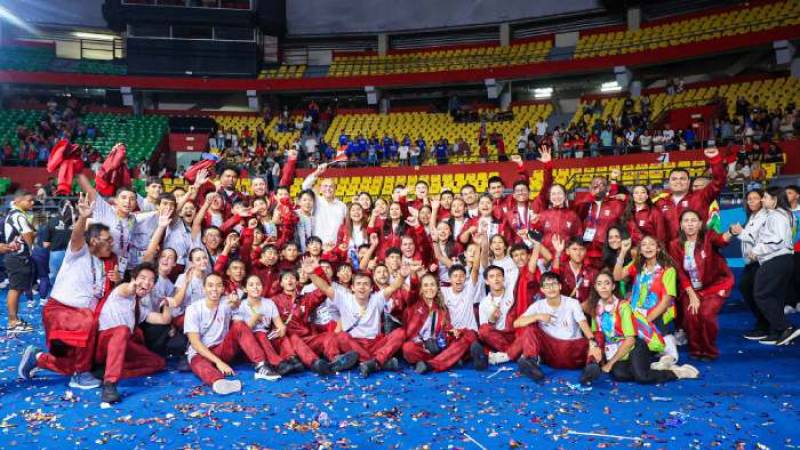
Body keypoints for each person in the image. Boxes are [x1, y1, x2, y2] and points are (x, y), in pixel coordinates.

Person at [18, 193, 120, 390]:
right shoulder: (79, 251)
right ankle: (81, 375)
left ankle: (37, 358)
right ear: (93, 241)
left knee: (71, 365)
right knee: (89, 321)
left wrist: (116, 281)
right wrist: (83, 217)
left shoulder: (106, 263)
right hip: (62, 310)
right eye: (106, 240)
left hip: (82, 316)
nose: (111, 244)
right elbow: (76, 237)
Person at [588, 271, 698, 384]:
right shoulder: (595, 309)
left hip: (634, 346)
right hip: (616, 350)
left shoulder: (623, 306)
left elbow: (630, 340)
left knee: (642, 377)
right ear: (595, 287)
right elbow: (598, 336)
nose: (603, 287)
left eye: (607, 283)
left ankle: (678, 373)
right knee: (619, 375)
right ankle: (651, 367)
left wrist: (610, 363)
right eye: (599, 284)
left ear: (613, 286)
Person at [306, 259, 410, 377]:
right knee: (341, 336)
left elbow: (393, 287)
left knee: (400, 333)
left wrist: (402, 276)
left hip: (375, 343)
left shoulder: (377, 298)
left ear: (371, 288)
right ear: (353, 287)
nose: (362, 287)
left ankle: (372, 361)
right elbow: (325, 287)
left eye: (366, 284)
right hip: (353, 344)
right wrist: (311, 273)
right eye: (358, 284)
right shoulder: (344, 298)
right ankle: (378, 362)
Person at [502, 272, 603, 384]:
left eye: (554, 284)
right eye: (547, 285)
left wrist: (593, 343)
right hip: (551, 353)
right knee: (530, 328)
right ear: (542, 290)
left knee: (598, 335)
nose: (551, 288)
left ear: (560, 286)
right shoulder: (538, 305)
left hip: (573, 351)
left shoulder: (572, 303)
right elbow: (516, 323)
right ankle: (531, 363)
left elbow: (583, 323)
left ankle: (590, 368)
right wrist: (537, 316)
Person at [184, 273, 277, 395]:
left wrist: (237, 304)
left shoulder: (227, 304)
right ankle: (218, 382)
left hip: (222, 349)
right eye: (210, 285)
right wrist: (218, 362)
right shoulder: (193, 309)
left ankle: (261, 365)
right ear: (204, 288)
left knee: (239, 325)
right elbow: (195, 343)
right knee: (198, 363)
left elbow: (242, 329)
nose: (214, 289)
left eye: (218, 285)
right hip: (201, 352)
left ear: (223, 289)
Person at [93, 262, 172, 403]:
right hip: (104, 342)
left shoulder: (139, 308)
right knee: (122, 330)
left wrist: (166, 304)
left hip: (123, 347)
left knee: (158, 363)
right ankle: (110, 384)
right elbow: (127, 288)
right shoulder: (120, 292)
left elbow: (164, 320)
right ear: (134, 278)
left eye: (151, 280)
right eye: (143, 278)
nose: (147, 282)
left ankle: (104, 371)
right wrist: (133, 286)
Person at [730, 187, 799, 345]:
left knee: (762, 294)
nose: (762, 200)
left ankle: (784, 327)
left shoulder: (776, 215)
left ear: (774, 200)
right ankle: (778, 330)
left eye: (765, 197)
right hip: (777, 259)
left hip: (776, 259)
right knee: (769, 294)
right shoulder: (780, 214)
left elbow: (776, 240)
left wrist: (756, 251)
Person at [668, 210, 734, 360]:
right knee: (691, 316)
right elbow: (680, 272)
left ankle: (709, 351)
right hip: (690, 288)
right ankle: (696, 350)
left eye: (693, 220)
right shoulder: (674, 245)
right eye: (686, 221)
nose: (690, 224)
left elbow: (721, 240)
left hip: (716, 284)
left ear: (700, 224)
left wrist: (731, 232)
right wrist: (692, 294)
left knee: (706, 314)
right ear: (681, 225)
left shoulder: (709, 237)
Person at [4, 190, 36, 333]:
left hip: (16, 256)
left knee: (17, 288)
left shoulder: (15, 214)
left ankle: (14, 319)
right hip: (17, 257)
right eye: (29, 200)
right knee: (15, 289)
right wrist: (32, 247)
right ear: (18, 200)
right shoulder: (18, 215)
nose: (32, 203)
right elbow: (28, 234)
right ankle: (12, 322)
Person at [302, 164, 347, 246]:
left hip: (335, 245)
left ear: (335, 189)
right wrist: (317, 172)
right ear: (321, 189)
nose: (328, 189)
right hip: (317, 245)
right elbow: (305, 186)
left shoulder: (342, 206)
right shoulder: (316, 200)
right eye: (325, 186)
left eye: (331, 186)